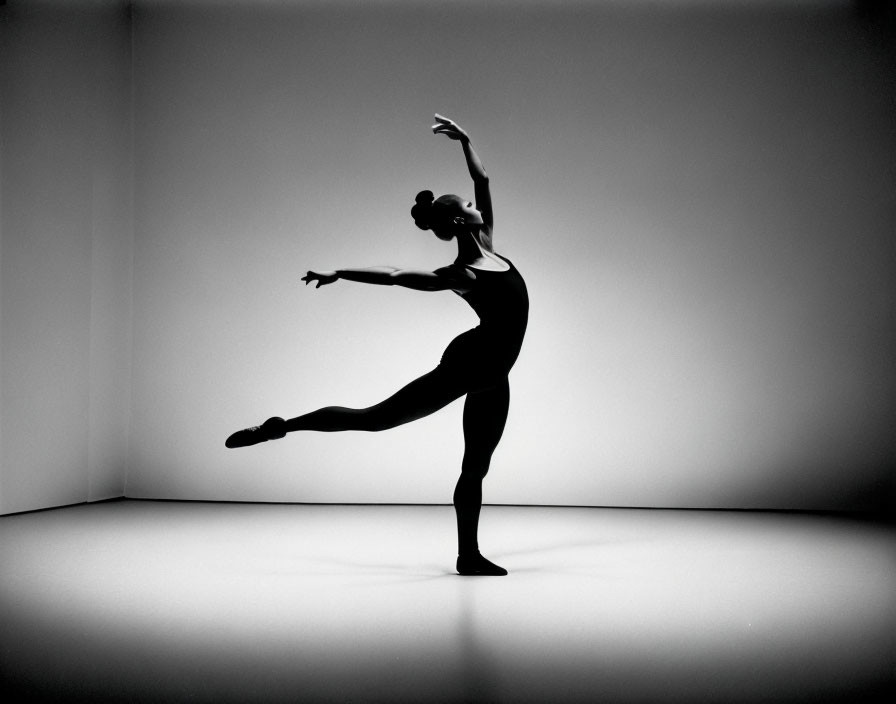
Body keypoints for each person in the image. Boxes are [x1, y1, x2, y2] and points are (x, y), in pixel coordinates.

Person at [226, 115, 529, 576]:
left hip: (495, 377)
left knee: (476, 467)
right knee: (375, 420)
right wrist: (339, 273)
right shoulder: (461, 275)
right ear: (455, 220)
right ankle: (279, 427)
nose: (477, 205)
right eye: (468, 205)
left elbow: (482, 178)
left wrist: (465, 141)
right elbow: (393, 276)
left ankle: (468, 556)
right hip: (469, 365)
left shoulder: (489, 243)